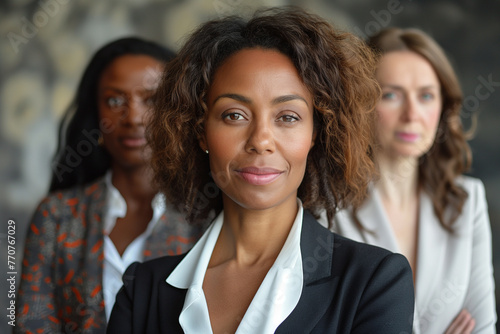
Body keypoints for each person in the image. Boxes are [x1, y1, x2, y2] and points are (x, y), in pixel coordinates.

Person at [107, 8, 415, 334]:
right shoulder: (142, 291)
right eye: (234, 115)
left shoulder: (372, 282)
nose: (260, 141)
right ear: (200, 131)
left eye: (287, 117)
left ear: (316, 134)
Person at [16, 37, 206, 334]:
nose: (132, 117)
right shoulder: (57, 215)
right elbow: (32, 325)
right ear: (96, 114)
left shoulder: (206, 214)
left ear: (178, 111)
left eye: (152, 99)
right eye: (115, 101)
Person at [330, 27, 496, 333]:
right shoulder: (327, 207)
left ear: (444, 107)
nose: (412, 114)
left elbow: (483, 326)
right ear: (363, 103)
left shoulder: (467, 202)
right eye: (391, 95)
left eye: (426, 96)